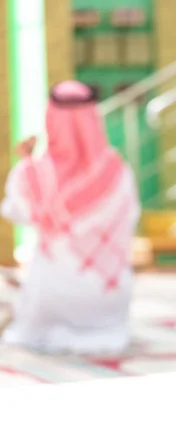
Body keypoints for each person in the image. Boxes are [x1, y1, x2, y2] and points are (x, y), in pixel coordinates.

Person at [1, 81, 140, 354]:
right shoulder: (117, 170)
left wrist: (27, 163)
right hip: (107, 298)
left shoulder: (33, 174)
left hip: (51, 298)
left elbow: (13, 212)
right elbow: (131, 218)